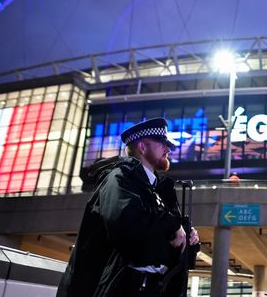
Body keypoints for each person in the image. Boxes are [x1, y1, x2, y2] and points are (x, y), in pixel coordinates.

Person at [57, 118, 200, 297]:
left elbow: (164, 246)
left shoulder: (157, 189)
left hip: (149, 288)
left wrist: (188, 238)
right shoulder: (119, 178)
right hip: (119, 289)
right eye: (162, 143)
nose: (168, 149)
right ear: (142, 147)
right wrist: (172, 226)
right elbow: (126, 223)